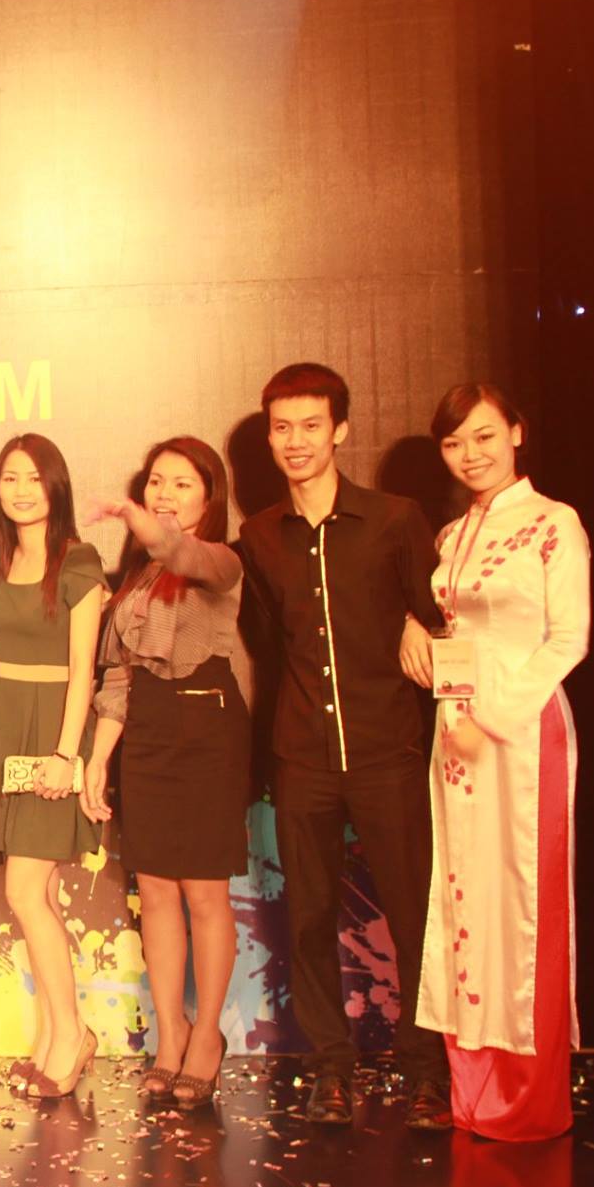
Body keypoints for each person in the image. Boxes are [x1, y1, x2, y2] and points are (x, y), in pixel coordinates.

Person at [237, 362, 453, 1131]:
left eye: (310, 425)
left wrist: (418, 622)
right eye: (282, 428)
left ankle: (427, 1072)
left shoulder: (394, 519)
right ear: (269, 438)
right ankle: (331, 1069)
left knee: (413, 912)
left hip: (388, 747)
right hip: (302, 754)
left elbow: (439, 614)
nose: (295, 441)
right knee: (308, 916)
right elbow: (270, 641)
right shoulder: (259, 535)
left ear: (340, 431)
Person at [410, 386, 588, 1140]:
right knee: (466, 899)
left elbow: (568, 638)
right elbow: (452, 631)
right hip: (455, 729)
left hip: (521, 730)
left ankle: (528, 1099)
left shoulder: (554, 522)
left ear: (516, 432)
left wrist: (490, 720)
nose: (471, 454)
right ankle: (474, 1092)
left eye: (484, 436)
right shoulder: (452, 534)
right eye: (454, 443)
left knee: (523, 902)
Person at [82, 437, 251, 1109]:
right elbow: (118, 676)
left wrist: (134, 515)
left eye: (183, 483)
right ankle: (170, 1034)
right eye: (157, 481)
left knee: (204, 894)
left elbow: (181, 552)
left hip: (207, 729)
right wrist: (99, 757)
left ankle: (207, 1035)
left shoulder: (220, 561)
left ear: (209, 498)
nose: (166, 493)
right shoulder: (136, 580)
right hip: (147, 733)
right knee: (154, 892)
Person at [0, 434, 108, 1099]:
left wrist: (68, 755)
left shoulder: (78, 560)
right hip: (9, 726)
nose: (22, 490)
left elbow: (84, 667)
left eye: (34, 477)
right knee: (42, 894)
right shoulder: (2, 559)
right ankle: (52, 1034)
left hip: (54, 731)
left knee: (25, 891)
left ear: (56, 485)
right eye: (10, 478)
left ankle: (74, 1036)